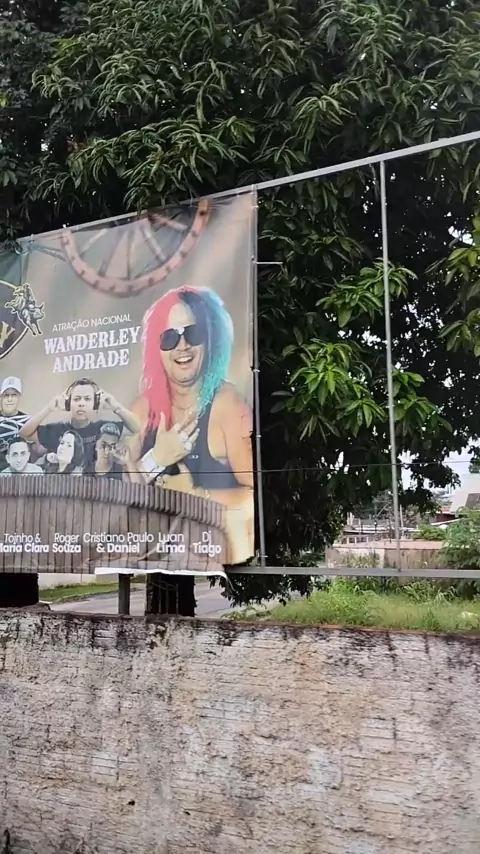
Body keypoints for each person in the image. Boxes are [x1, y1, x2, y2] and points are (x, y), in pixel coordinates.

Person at [129, 286, 253, 564]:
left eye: (193, 333)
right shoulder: (142, 409)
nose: (182, 345)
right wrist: (156, 459)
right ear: (156, 348)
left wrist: (196, 495)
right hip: (155, 559)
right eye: (169, 337)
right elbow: (111, 491)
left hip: (211, 558)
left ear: (209, 340)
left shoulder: (228, 405)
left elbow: (254, 495)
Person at [20, 377, 140, 469]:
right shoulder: (57, 430)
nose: (81, 403)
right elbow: (25, 433)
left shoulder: (104, 428)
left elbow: (137, 428)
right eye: (77, 399)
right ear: (68, 404)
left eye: (87, 399)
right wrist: (49, 408)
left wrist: (116, 407)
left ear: (95, 404)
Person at [0, 377, 30, 467]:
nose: (10, 399)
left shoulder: (28, 422)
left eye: (14, 395)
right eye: (6, 395)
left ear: (19, 397)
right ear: (1, 396)